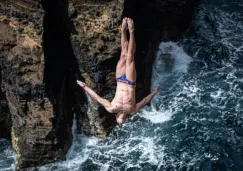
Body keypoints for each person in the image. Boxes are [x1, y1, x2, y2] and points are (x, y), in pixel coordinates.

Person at [77, 18, 160, 124]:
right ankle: (131, 31)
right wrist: (155, 93)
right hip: (130, 82)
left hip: (120, 80)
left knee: (123, 55)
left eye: (121, 119)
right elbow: (144, 101)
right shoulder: (132, 110)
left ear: (116, 116)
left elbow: (96, 97)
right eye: (124, 120)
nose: (123, 118)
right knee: (130, 57)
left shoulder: (111, 108)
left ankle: (123, 30)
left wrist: (85, 87)